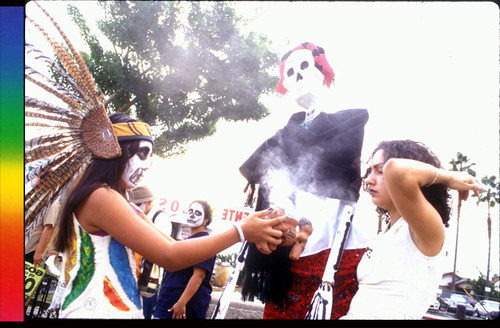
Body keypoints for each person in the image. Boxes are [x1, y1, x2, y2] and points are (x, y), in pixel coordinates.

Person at [53, 113, 285, 319]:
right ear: (114, 152)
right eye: (142, 153)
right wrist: (241, 232)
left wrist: (255, 229)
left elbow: (171, 245)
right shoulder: (100, 197)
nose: (148, 164)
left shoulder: (115, 198)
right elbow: (169, 256)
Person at [240, 42, 371, 319]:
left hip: (333, 240)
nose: (297, 76)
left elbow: (350, 172)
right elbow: (259, 170)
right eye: (290, 72)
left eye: (303, 66)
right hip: (287, 249)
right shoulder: (282, 135)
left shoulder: (351, 122)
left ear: (323, 71)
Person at [341, 139, 481, 319]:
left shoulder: (425, 230)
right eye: (370, 171)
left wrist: (448, 177)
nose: (368, 179)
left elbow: (397, 170)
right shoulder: (387, 233)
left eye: (380, 171)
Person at [154, 200, 216, 319]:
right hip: (168, 301)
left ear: (206, 220)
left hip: (183, 307)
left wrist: (181, 303)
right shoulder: (188, 241)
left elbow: (198, 276)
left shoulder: (205, 242)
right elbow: (170, 244)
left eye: (198, 213)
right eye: (191, 211)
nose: (192, 215)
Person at [129, 185, 170, 319]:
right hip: (134, 276)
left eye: (138, 205)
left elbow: (159, 247)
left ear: (149, 203)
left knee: (143, 313)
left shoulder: (160, 218)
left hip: (148, 280)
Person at [25, 200, 59, 267]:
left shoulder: (52, 204)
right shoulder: (34, 198)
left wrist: (38, 252)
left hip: (31, 249)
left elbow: (48, 227)